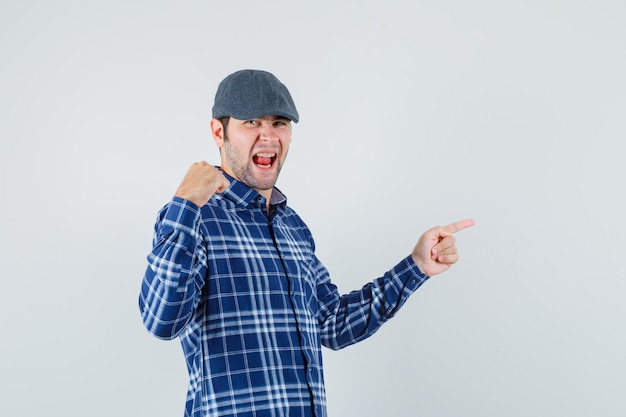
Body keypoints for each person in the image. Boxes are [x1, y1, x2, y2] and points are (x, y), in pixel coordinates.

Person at [139, 69, 474, 417]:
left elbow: (332, 324)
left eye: (280, 123)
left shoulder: (291, 226)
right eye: (252, 122)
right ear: (218, 132)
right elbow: (162, 321)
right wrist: (186, 201)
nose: (268, 136)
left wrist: (416, 266)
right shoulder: (194, 216)